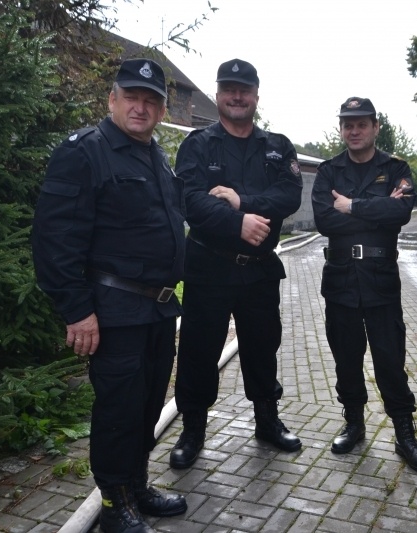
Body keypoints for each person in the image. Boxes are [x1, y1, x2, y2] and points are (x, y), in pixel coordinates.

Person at [32, 59, 187, 533]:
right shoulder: (85, 153)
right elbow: (53, 239)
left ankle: (136, 487)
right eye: (132, 97)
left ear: (161, 110)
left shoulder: (155, 156)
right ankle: (114, 503)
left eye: (151, 100)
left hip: (158, 307)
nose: (141, 107)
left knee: (146, 404)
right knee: (118, 409)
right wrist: (78, 310)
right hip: (114, 309)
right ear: (112, 99)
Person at [169, 59, 303, 469]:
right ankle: (193, 430)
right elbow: (191, 200)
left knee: (263, 346)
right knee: (198, 350)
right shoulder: (197, 144)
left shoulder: (278, 146)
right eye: (229, 88)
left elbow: (289, 196)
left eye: (244, 89)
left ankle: (267, 421)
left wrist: (242, 202)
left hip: (259, 269)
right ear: (218, 94)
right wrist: (237, 223)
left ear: (256, 96)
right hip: (209, 266)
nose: (237, 96)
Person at [311, 96, 417, 474]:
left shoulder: (395, 167)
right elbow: (324, 221)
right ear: (341, 128)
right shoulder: (329, 171)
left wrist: (352, 207)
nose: (354, 130)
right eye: (348, 124)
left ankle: (404, 434)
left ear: (375, 126)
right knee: (346, 357)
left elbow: (401, 212)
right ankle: (354, 423)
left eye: (361, 123)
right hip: (342, 280)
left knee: (389, 360)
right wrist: (374, 210)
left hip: (381, 282)